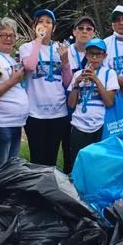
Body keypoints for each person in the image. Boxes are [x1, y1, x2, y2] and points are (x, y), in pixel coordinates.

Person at [20, 9, 72, 168]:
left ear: (54, 28)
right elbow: (29, 66)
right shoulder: (26, 47)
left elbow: (67, 82)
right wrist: (38, 41)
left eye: (48, 22)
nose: (44, 25)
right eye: (41, 21)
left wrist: (65, 61)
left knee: (51, 159)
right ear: (34, 26)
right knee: (37, 157)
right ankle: (36, 191)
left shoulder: (61, 48)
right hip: (35, 114)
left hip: (58, 112)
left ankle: (48, 190)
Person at [0, 18, 29, 172]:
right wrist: (14, 80)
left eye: (12, 35)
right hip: (0, 125)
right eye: (5, 35)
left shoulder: (6, 57)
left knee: (9, 173)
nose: (9, 39)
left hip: (13, 124)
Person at [65, 39, 119, 171]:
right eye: (91, 54)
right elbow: (71, 104)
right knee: (79, 163)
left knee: (98, 164)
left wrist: (96, 80)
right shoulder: (78, 74)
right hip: (79, 125)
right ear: (86, 55)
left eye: (98, 54)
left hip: (99, 126)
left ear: (104, 56)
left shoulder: (109, 74)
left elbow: (109, 102)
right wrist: (76, 84)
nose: (94, 58)